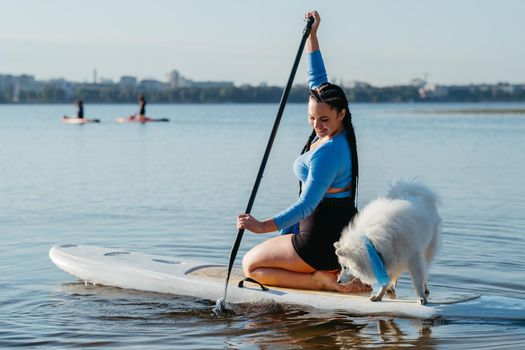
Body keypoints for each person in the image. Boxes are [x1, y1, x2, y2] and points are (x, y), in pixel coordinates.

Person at [237, 11, 371, 293]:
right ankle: (324, 271)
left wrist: (262, 226)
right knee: (261, 258)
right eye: (312, 118)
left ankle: (319, 280)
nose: (317, 125)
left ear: (341, 114)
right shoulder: (338, 125)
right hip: (332, 236)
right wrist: (313, 35)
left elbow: (306, 205)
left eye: (324, 120)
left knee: (251, 267)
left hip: (318, 243)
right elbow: (317, 78)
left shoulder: (329, 153)